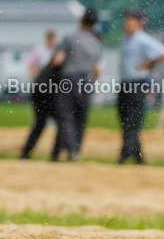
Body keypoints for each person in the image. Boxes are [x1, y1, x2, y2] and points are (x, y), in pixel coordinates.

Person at [118, 8, 164, 164]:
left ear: (140, 23)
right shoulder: (127, 38)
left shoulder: (141, 38)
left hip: (136, 84)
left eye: (131, 20)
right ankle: (138, 157)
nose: (127, 23)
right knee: (125, 119)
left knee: (132, 120)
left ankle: (124, 154)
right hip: (126, 83)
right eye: (127, 19)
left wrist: (148, 64)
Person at [51, 8, 103, 161]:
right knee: (81, 117)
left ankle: (72, 149)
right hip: (87, 80)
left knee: (66, 116)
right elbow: (98, 68)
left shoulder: (70, 37)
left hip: (69, 79)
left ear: (81, 20)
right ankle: (76, 150)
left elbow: (58, 60)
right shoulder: (96, 41)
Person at [20, 29, 59, 159]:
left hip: (53, 91)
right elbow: (32, 66)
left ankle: (55, 153)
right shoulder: (39, 50)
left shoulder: (57, 51)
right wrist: (41, 79)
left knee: (58, 123)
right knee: (41, 122)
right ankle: (27, 152)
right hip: (42, 90)